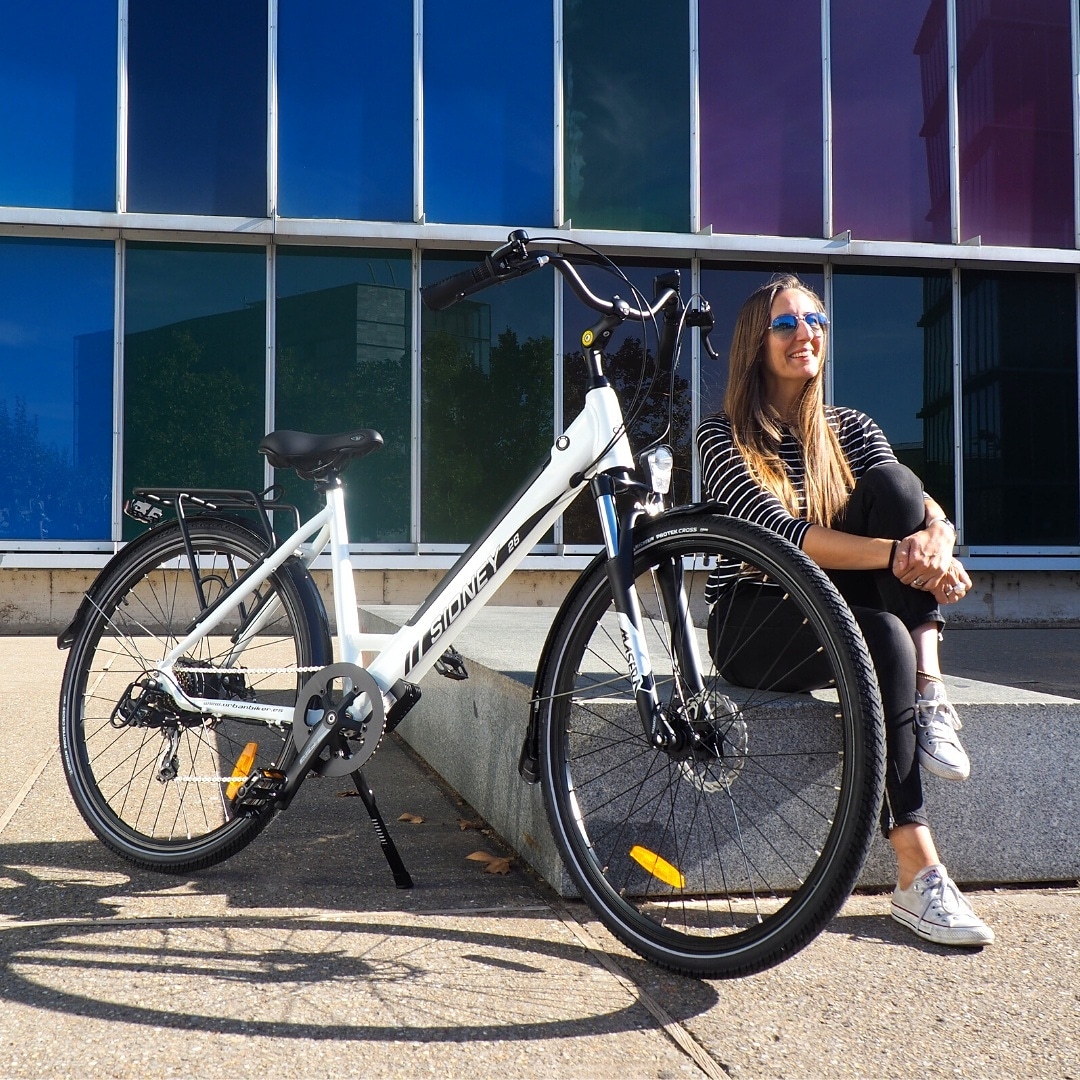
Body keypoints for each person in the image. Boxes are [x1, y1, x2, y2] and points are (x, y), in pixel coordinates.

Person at [697, 273, 993, 948]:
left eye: (817, 321)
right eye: (787, 323)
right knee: (880, 625)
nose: (807, 333)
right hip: (757, 617)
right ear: (755, 343)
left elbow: (916, 506)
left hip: (838, 601)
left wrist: (937, 542)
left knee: (894, 489)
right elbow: (786, 540)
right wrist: (902, 558)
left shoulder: (849, 427)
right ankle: (917, 861)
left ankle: (930, 692)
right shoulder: (723, 436)